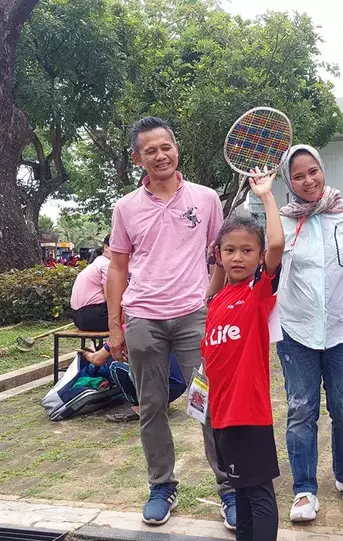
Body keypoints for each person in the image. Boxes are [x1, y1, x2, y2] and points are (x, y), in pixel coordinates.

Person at [106, 116, 234, 528]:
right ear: (137, 158)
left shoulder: (206, 198)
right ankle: (162, 485)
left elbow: (222, 254)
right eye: (150, 151)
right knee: (151, 407)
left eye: (166, 147)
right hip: (144, 318)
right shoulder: (126, 208)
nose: (160, 156)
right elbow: (118, 269)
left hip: (195, 316)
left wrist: (211, 299)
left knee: (210, 404)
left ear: (176, 148)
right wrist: (115, 326)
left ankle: (229, 488)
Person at [275, 145, 343, 522]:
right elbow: (269, 264)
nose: (308, 181)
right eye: (298, 176)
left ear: (323, 171)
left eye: (313, 172)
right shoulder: (283, 220)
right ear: (288, 183)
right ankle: (304, 489)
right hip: (296, 331)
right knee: (300, 410)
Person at [202, 168, 284, 540]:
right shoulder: (217, 300)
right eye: (229, 251)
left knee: (260, 494)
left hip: (249, 414)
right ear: (219, 255)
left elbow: (278, 245)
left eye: (247, 251)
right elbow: (208, 294)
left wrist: (266, 195)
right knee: (241, 494)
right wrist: (215, 262)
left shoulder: (257, 295)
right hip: (220, 416)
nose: (238, 258)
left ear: (259, 255)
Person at [85, 328, 188, 423]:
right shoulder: (157, 322)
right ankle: (159, 402)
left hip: (166, 386)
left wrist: (87, 354)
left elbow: (97, 360)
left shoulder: (125, 330)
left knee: (114, 365)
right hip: (181, 382)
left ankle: (138, 407)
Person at [70, 236, 111, 332]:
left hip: (78, 318)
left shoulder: (97, 263)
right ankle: (108, 347)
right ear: (106, 247)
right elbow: (110, 296)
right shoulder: (107, 265)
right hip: (94, 316)